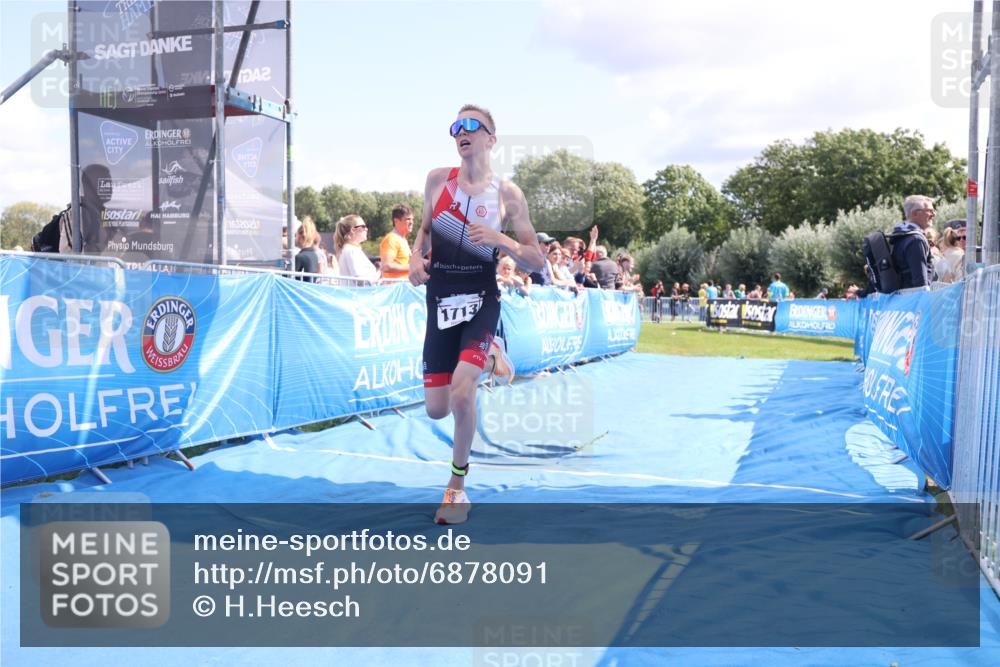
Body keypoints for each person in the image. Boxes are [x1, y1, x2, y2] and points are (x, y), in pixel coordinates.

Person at [408, 104, 545, 525]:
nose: (460, 132)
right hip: (440, 299)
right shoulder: (437, 180)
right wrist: (415, 259)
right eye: (455, 127)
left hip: (482, 298)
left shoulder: (508, 194)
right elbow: (425, 233)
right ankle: (489, 357)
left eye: (471, 125)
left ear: (491, 137)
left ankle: (456, 489)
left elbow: (537, 260)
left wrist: (501, 238)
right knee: (437, 408)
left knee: (463, 391)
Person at [891, 195, 935, 289]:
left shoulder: (900, 235)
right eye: (930, 211)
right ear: (915, 213)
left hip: (901, 297)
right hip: (913, 300)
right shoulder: (916, 240)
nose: (933, 214)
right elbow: (921, 283)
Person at [335, 214, 379, 283]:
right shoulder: (351, 250)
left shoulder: (349, 249)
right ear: (353, 230)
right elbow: (359, 281)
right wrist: (380, 273)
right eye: (363, 226)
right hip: (356, 293)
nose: (366, 229)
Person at [379, 204, 415, 280]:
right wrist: (412, 266)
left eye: (412, 219)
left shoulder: (403, 239)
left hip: (403, 287)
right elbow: (386, 266)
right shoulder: (391, 239)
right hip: (395, 288)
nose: (411, 222)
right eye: (408, 219)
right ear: (396, 221)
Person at [294, 216, 325, 281]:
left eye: (295, 235)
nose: (294, 238)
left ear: (300, 237)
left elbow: (289, 277)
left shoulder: (300, 257)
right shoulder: (314, 255)